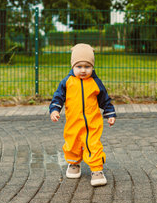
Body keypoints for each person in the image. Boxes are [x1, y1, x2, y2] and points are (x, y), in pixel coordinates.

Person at [49, 43, 116, 187]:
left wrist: (110, 113)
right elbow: (58, 97)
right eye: (79, 67)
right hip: (73, 122)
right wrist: (55, 110)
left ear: (92, 67)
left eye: (87, 66)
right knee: (72, 143)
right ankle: (74, 164)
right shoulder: (67, 82)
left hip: (92, 123)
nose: (83, 70)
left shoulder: (95, 82)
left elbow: (104, 99)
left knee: (93, 144)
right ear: (72, 66)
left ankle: (97, 170)